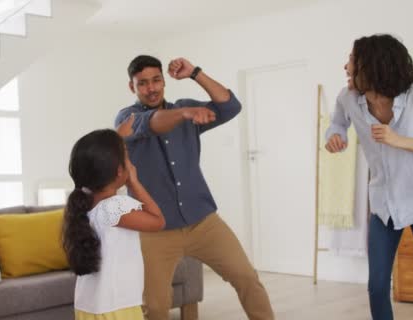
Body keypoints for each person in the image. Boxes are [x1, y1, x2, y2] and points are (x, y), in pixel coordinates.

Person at [115, 55, 274, 320]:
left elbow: (230, 106)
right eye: (143, 83)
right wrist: (186, 113)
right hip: (156, 230)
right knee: (155, 306)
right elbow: (151, 123)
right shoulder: (126, 118)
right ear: (132, 87)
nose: (151, 88)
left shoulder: (184, 108)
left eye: (156, 80)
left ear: (164, 81)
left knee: (247, 277)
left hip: (203, 222)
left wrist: (195, 73)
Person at [325, 34, 413, 320]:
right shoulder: (347, 98)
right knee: (376, 286)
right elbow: (336, 124)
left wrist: (400, 140)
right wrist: (335, 137)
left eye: (351, 60)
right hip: (384, 204)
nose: (345, 66)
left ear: (371, 66)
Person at [62, 129, 165, 320]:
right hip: (116, 306)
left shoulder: (85, 205)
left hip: (88, 304)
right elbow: (158, 221)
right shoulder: (114, 208)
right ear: (119, 171)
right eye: (126, 156)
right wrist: (134, 183)